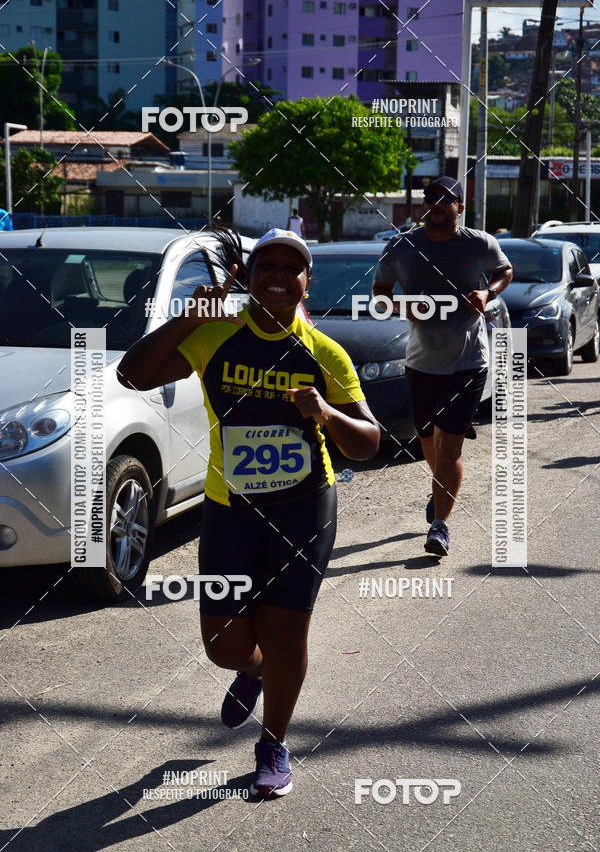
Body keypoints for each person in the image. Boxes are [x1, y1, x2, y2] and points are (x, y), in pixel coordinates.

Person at [118, 227, 379, 798]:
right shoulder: (214, 336)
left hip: (304, 508)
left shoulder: (325, 353)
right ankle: (253, 670)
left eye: (293, 269)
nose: (280, 278)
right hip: (230, 510)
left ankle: (274, 743)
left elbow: (370, 442)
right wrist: (189, 317)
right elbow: (132, 375)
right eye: (268, 268)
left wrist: (328, 417)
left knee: (287, 633)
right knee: (223, 646)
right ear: (248, 278)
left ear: (307, 281)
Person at [373, 176, 513, 557]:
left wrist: (488, 292)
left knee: (449, 448)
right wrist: (404, 308)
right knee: (429, 442)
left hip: (468, 361)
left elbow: (505, 271)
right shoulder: (402, 247)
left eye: (444, 199)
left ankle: (440, 525)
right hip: (420, 362)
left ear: (459, 207)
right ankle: (441, 489)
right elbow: (380, 296)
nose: (435, 204)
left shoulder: (479, 242)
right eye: (429, 198)